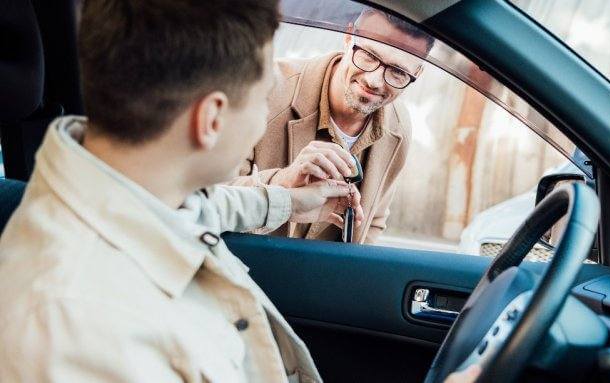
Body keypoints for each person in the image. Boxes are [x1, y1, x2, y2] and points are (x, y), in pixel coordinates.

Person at [0, 0, 478, 382]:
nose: (265, 112)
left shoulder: (137, 194)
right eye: (258, 95)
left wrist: (290, 195)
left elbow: (205, 206)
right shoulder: (76, 327)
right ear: (211, 120)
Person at [232, 8, 434, 244]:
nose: (374, 81)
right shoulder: (261, 89)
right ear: (349, 37)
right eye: (368, 55)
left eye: (398, 72)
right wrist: (284, 182)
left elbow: (373, 222)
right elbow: (206, 199)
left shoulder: (399, 127)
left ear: (417, 73)